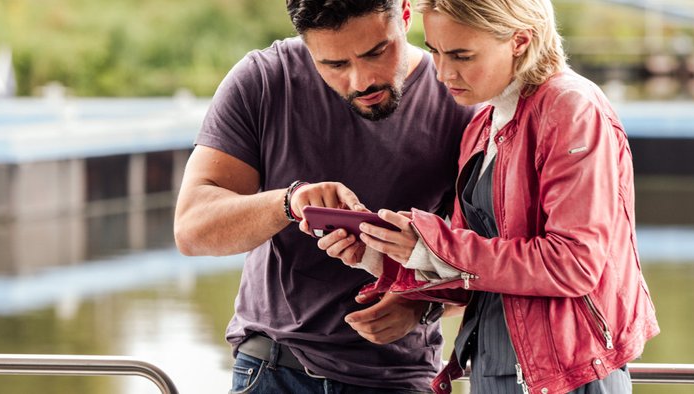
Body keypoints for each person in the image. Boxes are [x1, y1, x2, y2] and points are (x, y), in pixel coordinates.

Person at [323, 0, 660, 392]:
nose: (443, 72)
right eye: (434, 51)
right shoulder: (482, 124)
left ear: (520, 40)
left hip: (568, 375)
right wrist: (384, 254)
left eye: (461, 55)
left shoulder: (572, 108)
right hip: (495, 367)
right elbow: (477, 268)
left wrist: (435, 244)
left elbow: (574, 263)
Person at [173, 0, 475, 392]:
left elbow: (498, 261)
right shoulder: (265, 79)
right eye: (335, 65)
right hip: (272, 369)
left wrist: (423, 306)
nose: (361, 80)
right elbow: (191, 230)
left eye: (376, 52)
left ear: (404, 14)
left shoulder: (461, 102)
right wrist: (289, 202)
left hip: (399, 379)